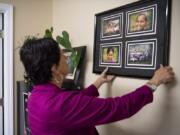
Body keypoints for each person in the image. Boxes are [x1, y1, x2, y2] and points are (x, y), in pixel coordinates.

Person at [19, 37, 174, 135]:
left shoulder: (36, 96)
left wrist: (99, 82)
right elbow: (118, 107)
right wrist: (154, 82)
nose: (67, 58)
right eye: (62, 55)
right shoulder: (60, 105)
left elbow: (75, 104)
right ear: (54, 68)